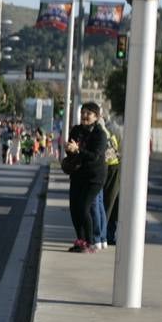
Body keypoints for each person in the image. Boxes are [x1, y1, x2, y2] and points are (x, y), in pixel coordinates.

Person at [64, 102, 109, 253]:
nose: (84, 115)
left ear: (96, 117)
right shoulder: (76, 130)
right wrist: (70, 150)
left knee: (84, 208)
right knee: (74, 208)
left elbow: (95, 156)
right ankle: (80, 241)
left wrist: (78, 149)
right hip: (78, 174)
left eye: (88, 113)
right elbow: (72, 151)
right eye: (83, 112)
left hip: (94, 177)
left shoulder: (100, 134)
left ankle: (90, 242)